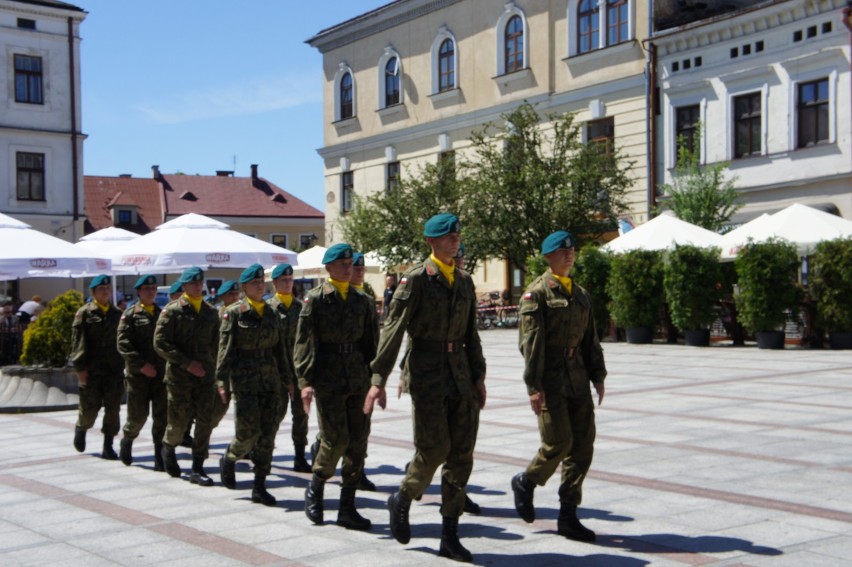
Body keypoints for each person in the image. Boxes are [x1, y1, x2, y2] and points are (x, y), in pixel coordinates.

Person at [364, 213, 486, 563]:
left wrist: (479, 375)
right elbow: (392, 330)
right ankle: (402, 496)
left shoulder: (464, 281)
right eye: (448, 237)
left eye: (457, 236)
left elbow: (470, 335)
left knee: (461, 454)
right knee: (433, 450)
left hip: (460, 375)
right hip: (428, 375)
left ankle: (450, 534)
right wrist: (378, 380)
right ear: (431, 241)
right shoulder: (416, 280)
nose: (455, 241)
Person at [511, 230, 607, 542]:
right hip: (549, 379)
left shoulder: (580, 294)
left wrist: (598, 375)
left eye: (572, 251)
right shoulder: (536, 294)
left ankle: (568, 515)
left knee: (582, 447)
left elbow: (590, 340)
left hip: (577, 378)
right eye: (562, 252)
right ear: (548, 257)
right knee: (558, 442)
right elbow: (530, 344)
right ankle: (527, 480)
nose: (569, 256)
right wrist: (533, 386)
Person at [295, 243, 379, 531]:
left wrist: (375, 382)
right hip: (328, 377)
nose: (347, 267)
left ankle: (347, 506)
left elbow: (372, 344)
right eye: (341, 264)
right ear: (328, 268)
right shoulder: (315, 299)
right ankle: (316, 489)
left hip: (358, 376)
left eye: (350, 263)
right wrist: (305, 382)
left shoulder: (363, 300)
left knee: (358, 441)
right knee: (334, 439)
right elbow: (305, 343)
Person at [217, 264, 290, 506]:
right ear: (245, 287)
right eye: (255, 283)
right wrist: (221, 381)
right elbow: (224, 351)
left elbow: (280, 350)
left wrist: (287, 378)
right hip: (245, 383)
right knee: (247, 433)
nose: (260, 286)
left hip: (270, 383)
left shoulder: (272, 313)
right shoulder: (235, 313)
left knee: (268, 434)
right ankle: (230, 457)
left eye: (262, 282)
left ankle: (260, 484)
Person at [154, 266, 221, 486]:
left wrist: (217, 372)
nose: (197, 286)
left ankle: (197, 466)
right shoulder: (172, 311)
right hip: (180, 377)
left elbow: (217, 344)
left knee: (204, 422)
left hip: (205, 377)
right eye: (193, 283)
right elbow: (160, 342)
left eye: (200, 283)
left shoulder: (211, 312)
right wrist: (187, 363)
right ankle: (168, 447)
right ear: (183, 286)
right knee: (179, 422)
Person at [70, 275, 125, 459]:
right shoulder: (85, 313)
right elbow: (78, 343)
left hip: (113, 370)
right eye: (101, 288)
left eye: (108, 288)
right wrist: (80, 369)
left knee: (113, 409)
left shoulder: (117, 314)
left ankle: (108, 445)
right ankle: (81, 428)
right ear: (93, 292)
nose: (105, 291)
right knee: (89, 408)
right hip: (92, 370)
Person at [117, 275, 167, 470]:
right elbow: (123, 344)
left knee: (162, 417)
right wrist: (141, 365)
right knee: (138, 416)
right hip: (138, 376)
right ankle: (128, 440)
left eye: (153, 288)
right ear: (139, 292)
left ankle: (159, 455)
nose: (151, 291)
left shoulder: (162, 314)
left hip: (160, 374)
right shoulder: (130, 315)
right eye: (147, 288)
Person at [267, 263, 311, 473]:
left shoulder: (300, 308)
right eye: (283, 280)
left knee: (301, 415)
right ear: (274, 283)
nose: (287, 283)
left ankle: (300, 456)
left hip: (298, 370)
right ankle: (264, 452)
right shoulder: (268, 309)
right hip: (276, 372)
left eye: (290, 279)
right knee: (275, 413)